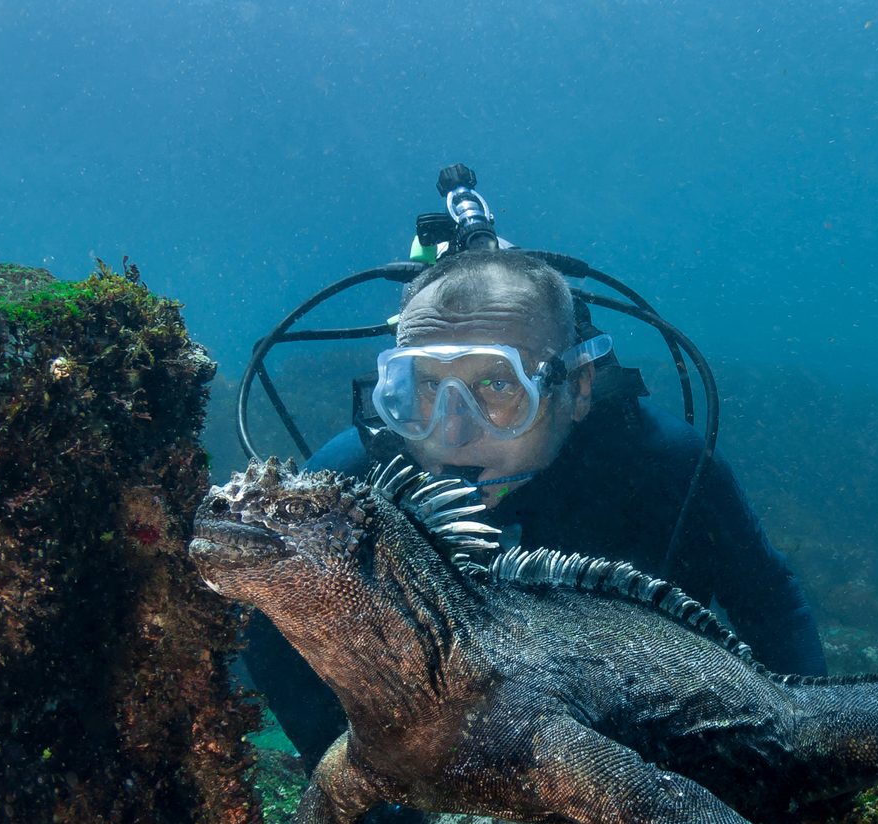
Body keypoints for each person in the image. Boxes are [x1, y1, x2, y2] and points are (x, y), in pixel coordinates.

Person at [246, 247, 827, 773]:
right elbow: (272, 642)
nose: (452, 430)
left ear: (577, 388)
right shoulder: (353, 481)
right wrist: (372, 804)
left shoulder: (665, 469)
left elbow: (771, 606)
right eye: (425, 384)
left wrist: (807, 759)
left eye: (498, 385)